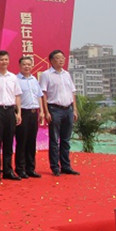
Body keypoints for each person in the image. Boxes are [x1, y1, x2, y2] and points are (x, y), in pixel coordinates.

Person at [40, 49, 80, 177]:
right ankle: (55, 167)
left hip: (68, 109)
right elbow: (43, 94)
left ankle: (66, 166)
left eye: (62, 57)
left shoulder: (66, 74)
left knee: (66, 140)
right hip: (54, 109)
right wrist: (46, 111)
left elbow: (72, 92)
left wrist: (74, 109)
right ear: (51, 60)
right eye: (58, 58)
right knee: (54, 140)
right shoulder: (46, 75)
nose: (61, 60)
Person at [0, 50, 23, 181]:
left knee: (9, 142)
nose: (4, 62)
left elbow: (17, 96)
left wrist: (18, 112)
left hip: (10, 111)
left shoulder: (13, 77)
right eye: (1, 60)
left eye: (6, 59)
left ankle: (8, 170)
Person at [15, 56, 46, 179]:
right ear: (19, 66)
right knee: (22, 141)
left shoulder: (34, 80)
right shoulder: (16, 80)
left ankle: (31, 168)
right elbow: (15, 97)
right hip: (23, 112)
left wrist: (42, 111)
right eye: (24, 64)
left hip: (34, 113)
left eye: (29, 64)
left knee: (32, 141)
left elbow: (39, 96)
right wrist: (17, 113)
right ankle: (20, 169)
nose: (27, 66)